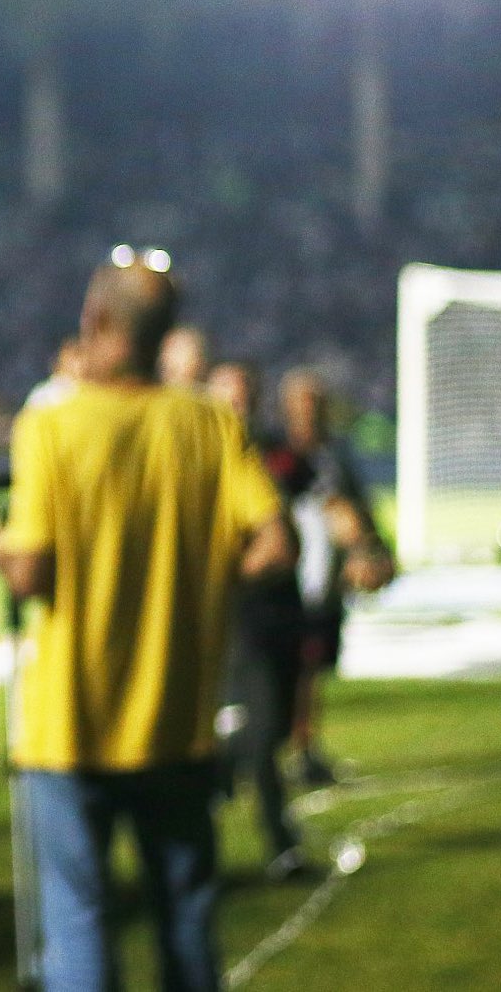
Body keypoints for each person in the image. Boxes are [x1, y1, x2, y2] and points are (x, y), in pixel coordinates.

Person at [0, 262, 290, 992]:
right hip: (177, 724)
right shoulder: (207, 421)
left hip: (70, 727)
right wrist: (202, 580)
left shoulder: (51, 423)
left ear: (96, 320)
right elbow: (276, 546)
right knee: (187, 926)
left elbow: (30, 570)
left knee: (80, 927)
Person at [266, 368, 395, 786]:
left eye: (315, 403)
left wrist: (371, 550)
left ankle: (302, 749)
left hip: (324, 585)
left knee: (311, 669)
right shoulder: (275, 455)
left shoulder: (335, 458)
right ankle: (270, 751)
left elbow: (358, 513)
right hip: (283, 585)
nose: (309, 412)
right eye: (302, 403)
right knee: (281, 671)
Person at [206, 360, 308, 876]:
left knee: (268, 732)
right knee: (256, 734)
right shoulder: (199, 457)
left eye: (242, 397)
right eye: (226, 397)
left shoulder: (273, 456)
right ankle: (279, 843)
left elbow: (289, 538)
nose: (235, 408)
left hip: (276, 616)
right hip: (228, 626)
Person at [158, 322, 209, 390]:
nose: (168, 359)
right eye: (165, 350)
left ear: (199, 361)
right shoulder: (147, 396)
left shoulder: (213, 397)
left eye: (179, 349)